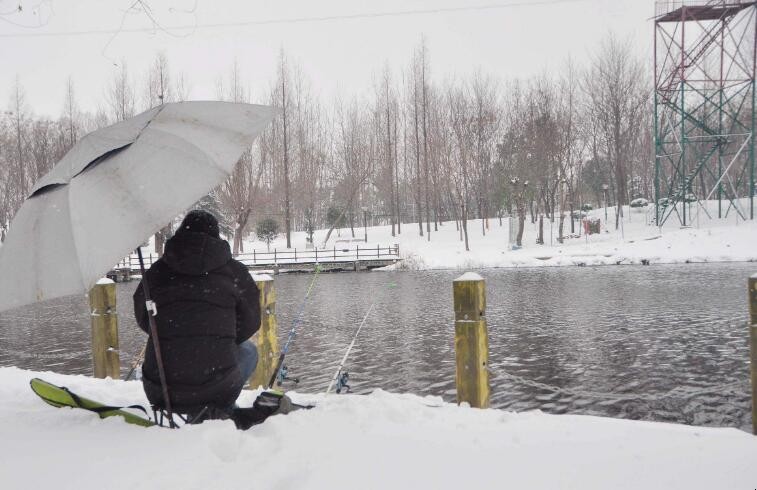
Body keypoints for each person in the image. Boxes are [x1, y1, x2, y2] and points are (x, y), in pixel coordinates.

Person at [134, 210, 260, 417]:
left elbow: (143, 316)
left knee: (165, 349)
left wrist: (172, 329)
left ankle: (206, 408)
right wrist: (223, 335)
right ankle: (221, 409)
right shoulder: (234, 271)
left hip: (161, 388)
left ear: (181, 232)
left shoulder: (157, 272)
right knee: (249, 351)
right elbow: (251, 321)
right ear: (216, 235)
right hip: (219, 388)